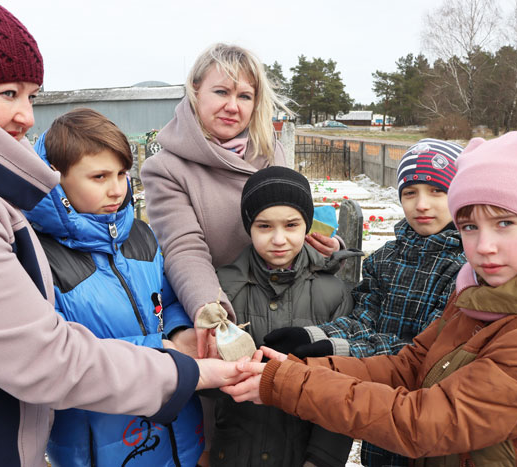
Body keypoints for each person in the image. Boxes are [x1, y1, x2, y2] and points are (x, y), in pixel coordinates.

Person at [0, 2, 246, 466]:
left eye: (31, 96)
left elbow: (160, 296)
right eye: (8, 93)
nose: (27, 116)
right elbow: (46, 357)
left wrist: (177, 328)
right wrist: (184, 366)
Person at [223, 116, 517, 466]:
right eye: (470, 226)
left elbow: (424, 424)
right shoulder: (478, 293)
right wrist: (302, 366)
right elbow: (410, 364)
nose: (484, 246)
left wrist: (292, 384)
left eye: (505, 223)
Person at [264, 139, 466, 466]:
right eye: (410, 193)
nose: (422, 204)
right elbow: (363, 320)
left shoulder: (463, 270)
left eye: (436, 191)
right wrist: (314, 336)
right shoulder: (386, 259)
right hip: (375, 416)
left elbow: (421, 354)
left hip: (427, 422)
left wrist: (338, 352)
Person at [24, 108, 203, 467]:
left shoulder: (140, 235)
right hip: (99, 443)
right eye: (99, 176)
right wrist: (159, 350)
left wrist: (181, 329)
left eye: (122, 173)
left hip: (177, 427)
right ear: (57, 181)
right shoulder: (39, 256)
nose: (116, 188)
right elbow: (60, 353)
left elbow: (166, 298)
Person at [140, 43, 341, 360]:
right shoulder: (168, 168)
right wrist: (211, 311)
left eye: (244, 96)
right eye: (221, 92)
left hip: (286, 306)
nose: (233, 106)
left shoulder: (269, 149)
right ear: (195, 91)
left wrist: (320, 243)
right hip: (229, 311)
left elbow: (289, 216)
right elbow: (184, 247)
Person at [210, 166, 355, 467]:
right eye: (264, 226)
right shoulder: (221, 290)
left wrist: (322, 459)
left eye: (291, 225)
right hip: (234, 453)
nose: (279, 239)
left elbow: (342, 383)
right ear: (249, 227)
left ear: (307, 225)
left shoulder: (334, 293)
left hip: (303, 453)